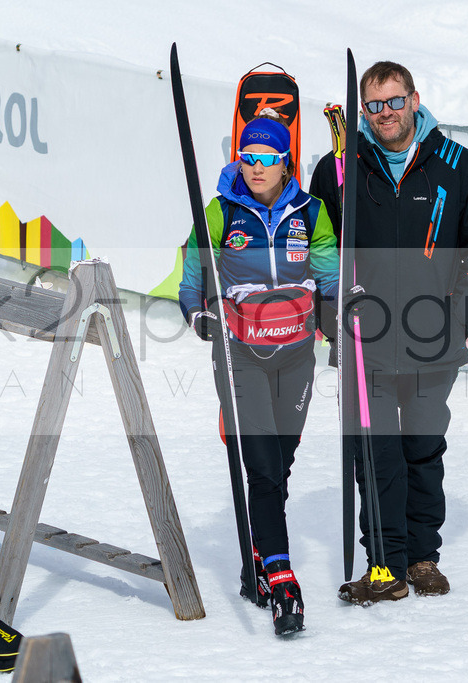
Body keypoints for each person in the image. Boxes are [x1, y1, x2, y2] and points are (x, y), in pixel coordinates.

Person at [309, 62, 468, 605]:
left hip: (431, 344)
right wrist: (331, 320)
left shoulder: (456, 165)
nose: (385, 113)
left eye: (395, 101)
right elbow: (317, 253)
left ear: (415, 100)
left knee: (422, 450)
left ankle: (421, 557)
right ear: (363, 111)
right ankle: (385, 566)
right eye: (374, 105)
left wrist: (453, 320)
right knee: (375, 456)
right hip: (363, 343)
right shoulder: (340, 169)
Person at [179, 112, 339, 635]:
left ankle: (259, 545)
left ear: (285, 161)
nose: (256, 166)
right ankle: (281, 576)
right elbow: (192, 276)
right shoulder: (220, 212)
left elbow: (329, 275)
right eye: (248, 157)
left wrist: (338, 314)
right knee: (264, 467)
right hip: (241, 353)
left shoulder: (309, 212)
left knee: (281, 462)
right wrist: (197, 313)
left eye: (267, 157)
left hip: (296, 353)